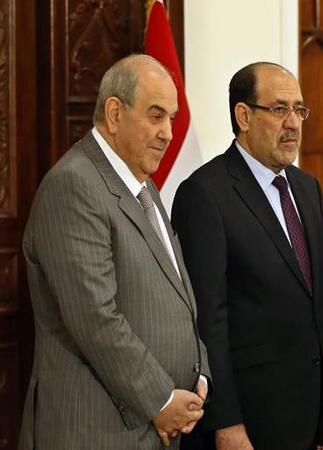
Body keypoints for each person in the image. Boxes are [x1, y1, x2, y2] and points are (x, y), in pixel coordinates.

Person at [18, 54, 210, 450]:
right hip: (96, 429)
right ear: (115, 113)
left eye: (172, 118)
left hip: (155, 429)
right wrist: (161, 400)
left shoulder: (144, 186)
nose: (168, 133)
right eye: (155, 116)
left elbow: (176, 291)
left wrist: (199, 372)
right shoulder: (73, 186)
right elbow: (94, 318)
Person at [172, 62, 323, 450]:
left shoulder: (308, 188)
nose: (293, 123)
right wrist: (226, 421)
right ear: (244, 116)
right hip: (251, 419)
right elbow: (206, 320)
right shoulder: (205, 193)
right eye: (279, 109)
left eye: (299, 110)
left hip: (312, 412)